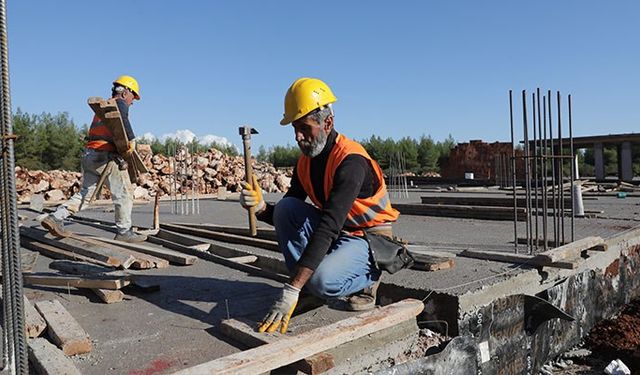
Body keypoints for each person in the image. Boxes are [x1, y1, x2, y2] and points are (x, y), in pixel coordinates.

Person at [240, 77, 399, 334]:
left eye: (304, 128)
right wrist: (260, 208)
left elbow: (328, 226)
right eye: (294, 129)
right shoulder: (305, 162)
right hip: (340, 234)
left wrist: (290, 289)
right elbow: (287, 215)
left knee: (323, 280)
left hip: (369, 239)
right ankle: (308, 285)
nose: (298, 137)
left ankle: (367, 280)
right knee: (287, 208)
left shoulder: (351, 162)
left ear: (328, 122)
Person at [40, 75, 147, 243]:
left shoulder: (103, 108)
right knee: (125, 194)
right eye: (133, 96)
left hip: (91, 155)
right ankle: (124, 231)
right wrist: (131, 141)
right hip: (106, 157)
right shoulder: (119, 104)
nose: (132, 101)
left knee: (85, 195)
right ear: (126, 92)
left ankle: (56, 217)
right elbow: (124, 122)